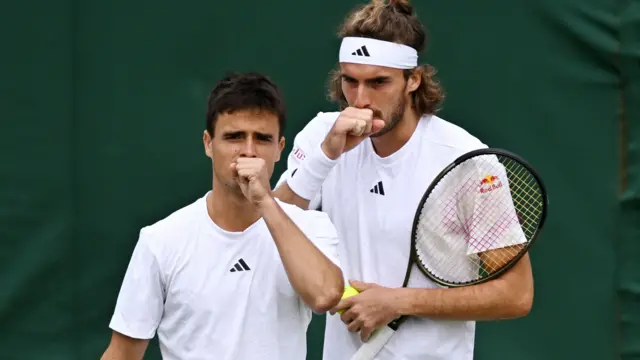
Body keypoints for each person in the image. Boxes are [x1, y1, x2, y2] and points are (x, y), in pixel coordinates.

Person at [273, 0, 535, 359]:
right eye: (350, 81)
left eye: (378, 82)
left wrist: (399, 301)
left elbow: (516, 294)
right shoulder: (321, 136)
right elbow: (268, 231)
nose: (361, 99)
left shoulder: (468, 161)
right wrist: (325, 155)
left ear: (413, 80)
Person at [101, 72, 345, 360]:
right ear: (208, 143)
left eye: (262, 139)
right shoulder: (161, 240)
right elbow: (122, 354)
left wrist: (265, 201)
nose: (248, 152)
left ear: (280, 149)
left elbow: (326, 295)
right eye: (234, 137)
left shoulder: (310, 227)